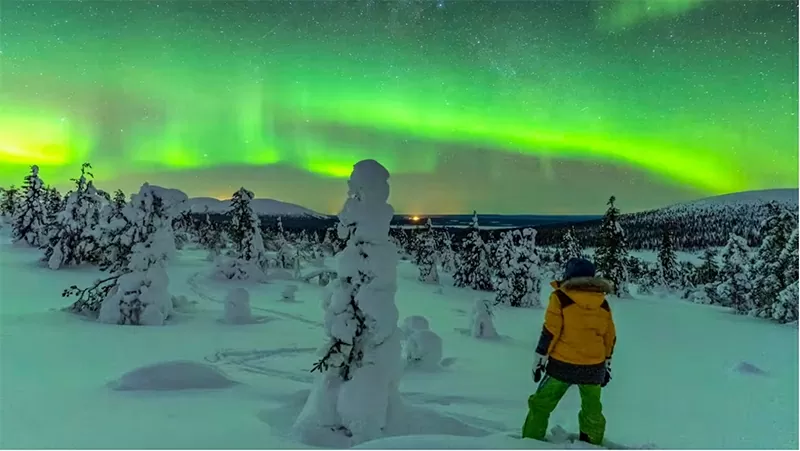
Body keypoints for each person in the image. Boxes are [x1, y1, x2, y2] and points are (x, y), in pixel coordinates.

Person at [521, 257, 616, 446]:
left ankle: (530, 443)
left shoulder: (560, 297)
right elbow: (610, 336)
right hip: (594, 367)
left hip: (562, 365)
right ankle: (591, 445)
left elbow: (550, 331)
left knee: (540, 404)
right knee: (592, 410)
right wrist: (606, 364)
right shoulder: (602, 302)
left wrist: (539, 358)